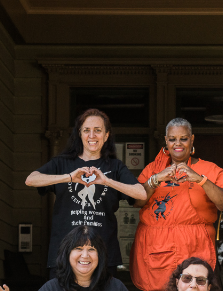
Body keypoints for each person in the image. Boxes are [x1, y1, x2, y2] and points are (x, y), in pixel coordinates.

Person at [25, 109, 147, 271]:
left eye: (98, 131)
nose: (92, 135)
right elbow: (31, 180)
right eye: (86, 130)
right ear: (79, 134)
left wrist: (106, 181)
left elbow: (141, 193)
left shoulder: (115, 167)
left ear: (106, 135)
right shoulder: (62, 163)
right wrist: (69, 177)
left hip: (103, 253)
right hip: (64, 254)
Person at [131, 118, 223, 291]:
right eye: (172, 139)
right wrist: (157, 179)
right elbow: (136, 201)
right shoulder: (153, 169)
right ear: (166, 141)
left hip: (194, 249)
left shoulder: (210, 169)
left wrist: (200, 180)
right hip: (158, 252)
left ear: (192, 139)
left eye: (183, 139)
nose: (177, 144)